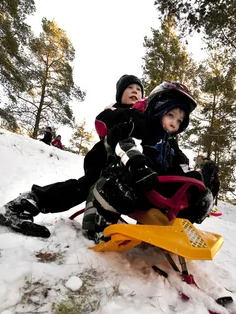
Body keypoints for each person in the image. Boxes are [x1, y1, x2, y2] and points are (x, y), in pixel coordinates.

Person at [0, 75, 144, 238]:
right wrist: (132, 115)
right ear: (120, 93)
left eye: (139, 90)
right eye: (130, 88)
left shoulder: (149, 120)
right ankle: (22, 206)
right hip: (104, 159)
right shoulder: (113, 111)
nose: (135, 91)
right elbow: (102, 125)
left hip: (131, 166)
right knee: (84, 188)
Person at [82, 82, 213, 242]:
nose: (174, 123)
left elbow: (182, 168)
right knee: (115, 179)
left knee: (193, 184)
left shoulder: (171, 145)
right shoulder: (141, 126)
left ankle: (176, 229)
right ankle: (98, 223)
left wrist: (200, 183)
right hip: (132, 184)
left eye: (179, 121)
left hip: (154, 191)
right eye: (170, 116)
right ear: (158, 109)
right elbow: (125, 144)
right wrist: (138, 165)